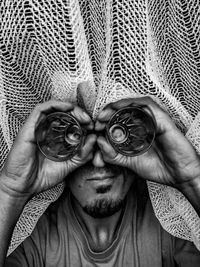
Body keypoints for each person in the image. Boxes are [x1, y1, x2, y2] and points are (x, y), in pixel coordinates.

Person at [0, 97, 200, 266]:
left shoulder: (172, 223)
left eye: (119, 139)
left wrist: (192, 178)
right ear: (53, 151)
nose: (98, 161)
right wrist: (11, 190)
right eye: (77, 140)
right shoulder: (30, 237)